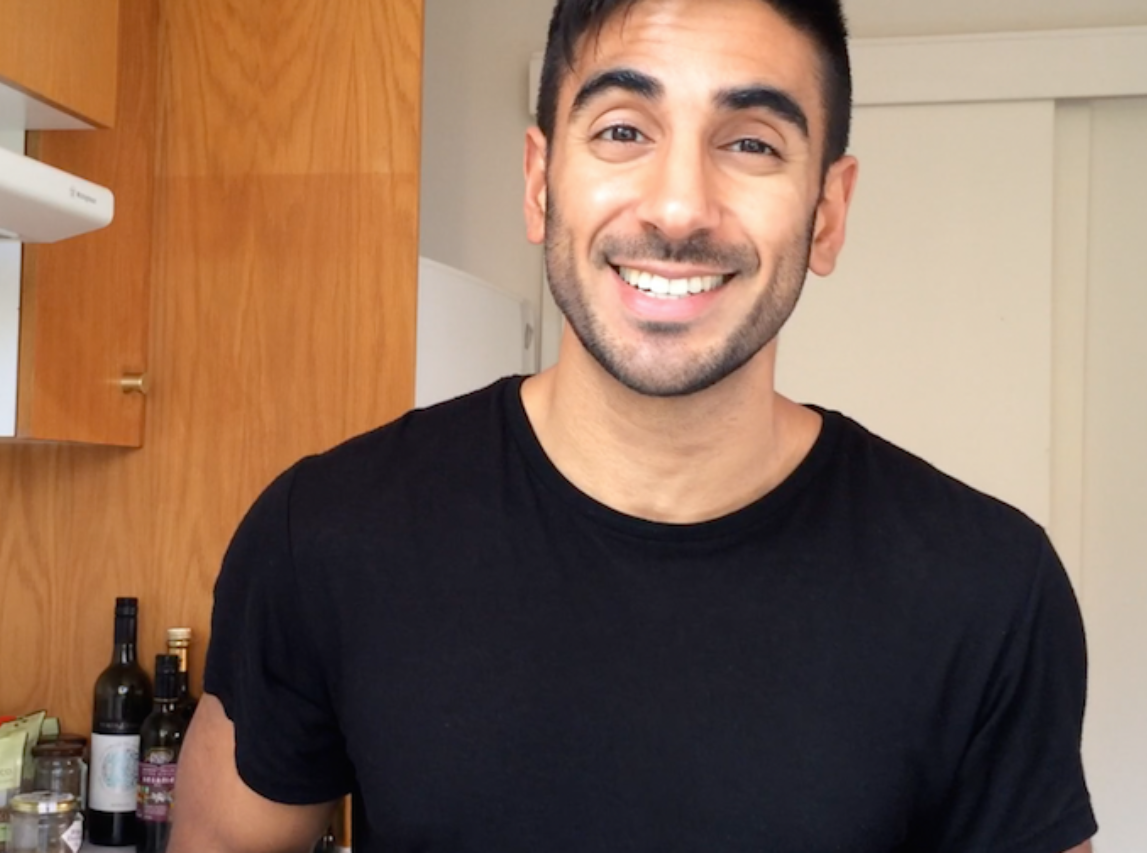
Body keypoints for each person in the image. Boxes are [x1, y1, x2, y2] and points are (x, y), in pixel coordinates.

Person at [170, 0, 1098, 850]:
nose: (679, 207)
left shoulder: (987, 592)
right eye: (623, 130)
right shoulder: (326, 536)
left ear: (827, 213)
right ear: (540, 182)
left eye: (752, 143)